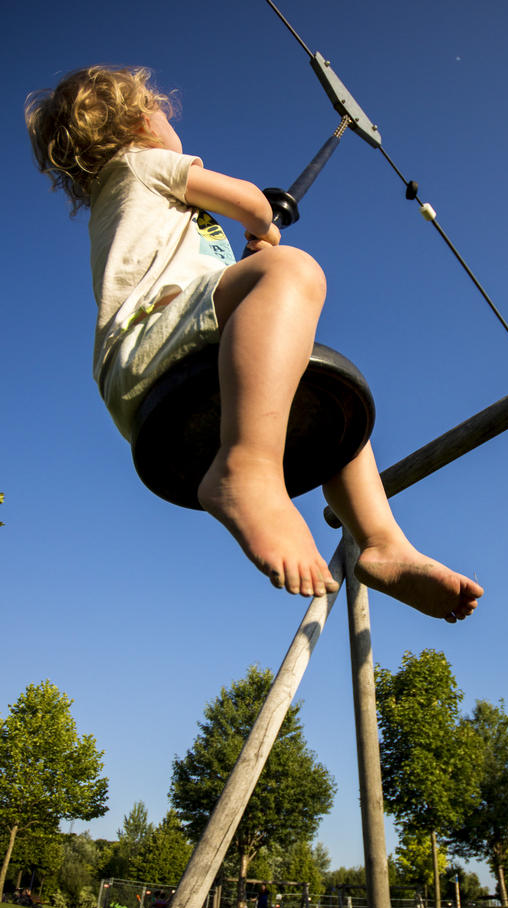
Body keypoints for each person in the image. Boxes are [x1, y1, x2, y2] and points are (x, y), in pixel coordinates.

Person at [25, 66, 483, 622]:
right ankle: (247, 465)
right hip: (158, 338)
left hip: (142, 375)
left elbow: (204, 285)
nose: (172, 124)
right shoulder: (144, 161)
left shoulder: (128, 202)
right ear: (140, 121)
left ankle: (384, 542)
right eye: (163, 113)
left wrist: (248, 266)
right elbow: (252, 204)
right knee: (294, 269)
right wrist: (266, 228)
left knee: (306, 378)